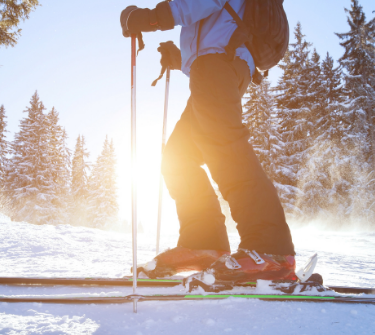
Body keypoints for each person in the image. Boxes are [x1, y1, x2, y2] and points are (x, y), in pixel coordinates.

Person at [120, 0, 297, 283]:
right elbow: (217, 22)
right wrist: (181, 59)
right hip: (215, 65)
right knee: (178, 157)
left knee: (224, 148)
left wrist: (153, 18)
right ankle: (203, 243)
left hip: (219, 65)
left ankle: (270, 249)